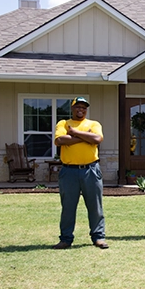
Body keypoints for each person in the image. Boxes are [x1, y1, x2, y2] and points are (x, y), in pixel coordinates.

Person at [52, 97, 108, 249]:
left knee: (95, 206)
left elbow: (97, 138)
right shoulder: (63, 123)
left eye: (83, 107)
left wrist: (75, 133)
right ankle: (65, 239)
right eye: (78, 107)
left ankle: (98, 237)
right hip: (69, 171)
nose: (80, 110)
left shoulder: (93, 124)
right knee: (68, 207)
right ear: (72, 108)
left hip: (91, 170)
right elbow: (60, 141)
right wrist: (85, 138)